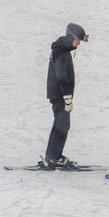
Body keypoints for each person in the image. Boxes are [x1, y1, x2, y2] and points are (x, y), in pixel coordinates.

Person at [41, 23, 88, 169]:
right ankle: (54, 157)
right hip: (60, 95)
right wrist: (67, 97)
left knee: (60, 124)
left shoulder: (60, 49)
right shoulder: (61, 52)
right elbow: (61, 77)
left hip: (57, 94)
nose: (79, 43)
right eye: (78, 40)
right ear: (70, 37)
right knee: (63, 125)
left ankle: (51, 156)